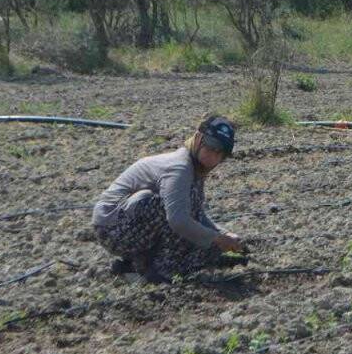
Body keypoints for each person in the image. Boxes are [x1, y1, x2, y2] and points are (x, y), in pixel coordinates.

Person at [91, 115, 246, 283]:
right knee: (168, 210)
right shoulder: (179, 167)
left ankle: (136, 265)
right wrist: (216, 238)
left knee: (207, 242)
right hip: (112, 229)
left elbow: (197, 214)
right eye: (211, 147)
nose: (214, 156)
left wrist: (223, 234)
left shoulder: (196, 169)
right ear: (199, 139)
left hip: (130, 225)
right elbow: (178, 220)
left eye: (221, 152)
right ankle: (159, 270)